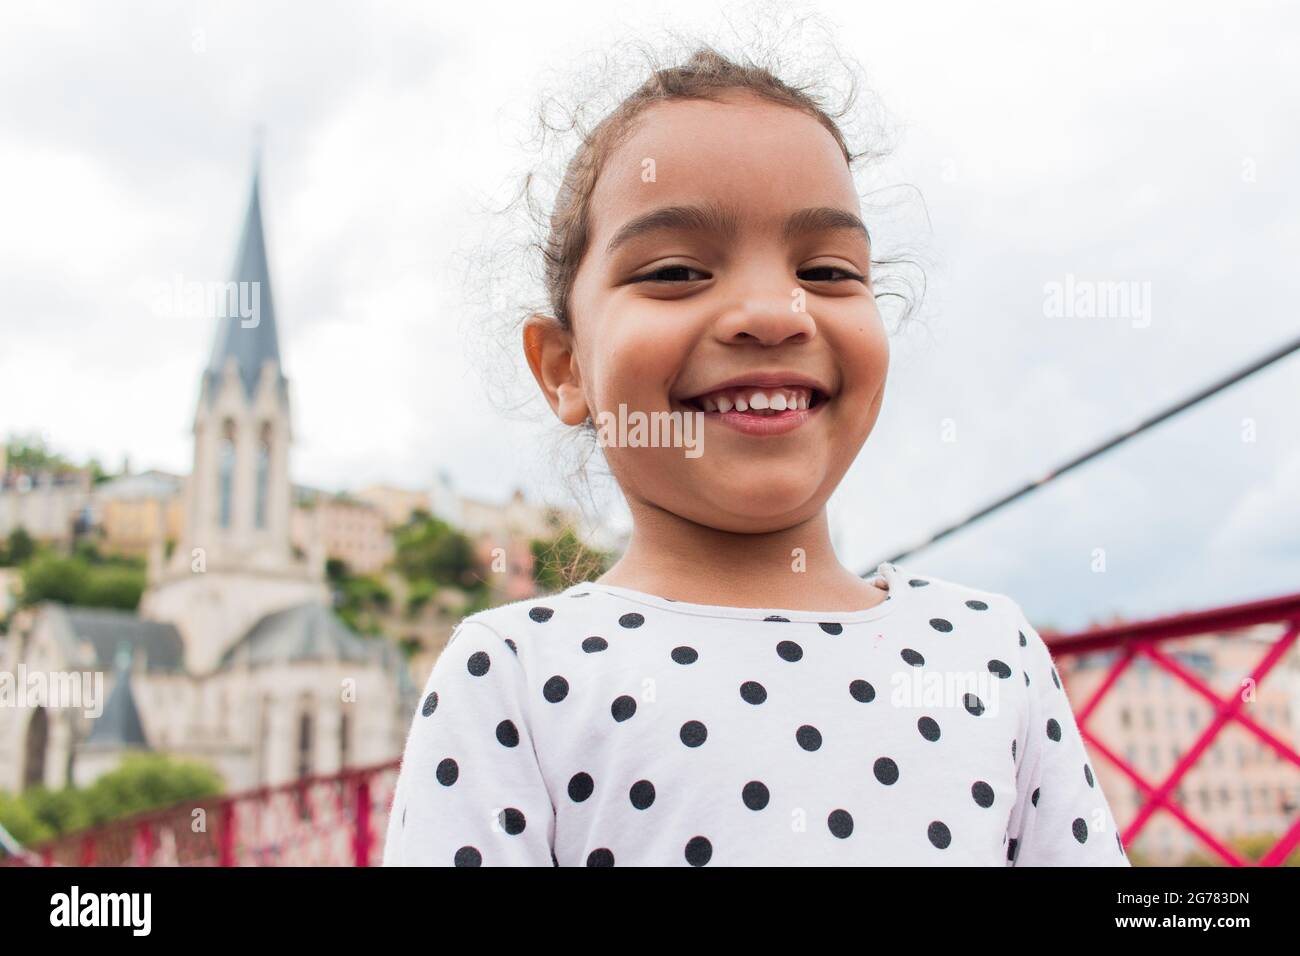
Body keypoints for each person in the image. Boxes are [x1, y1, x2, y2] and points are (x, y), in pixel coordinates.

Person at [383, 45, 1129, 867]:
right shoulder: (512, 675)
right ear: (565, 368)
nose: (774, 313)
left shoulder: (993, 650)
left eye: (826, 270)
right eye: (674, 271)